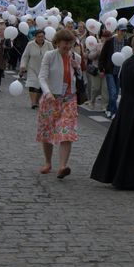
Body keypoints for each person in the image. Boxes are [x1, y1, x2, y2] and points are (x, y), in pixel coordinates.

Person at [90, 35, 134, 190]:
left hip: (126, 108)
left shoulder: (127, 63)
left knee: (122, 143)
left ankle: (117, 175)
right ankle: (127, 179)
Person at [37, 28, 82, 178]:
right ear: (57, 42)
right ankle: (48, 162)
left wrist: (78, 69)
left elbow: (80, 78)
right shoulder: (49, 56)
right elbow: (42, 77)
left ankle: (63, 166)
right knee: (47, 132)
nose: (68, 46)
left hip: (69, 99)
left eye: (70, 43)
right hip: (51, 99)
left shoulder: (76, 57)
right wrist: (47, 92)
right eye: (65, 43)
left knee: (67, 132)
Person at [19, 30, 54, 109]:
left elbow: (53, 56)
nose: (41, 38)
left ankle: (38, 101)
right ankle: (33, 102)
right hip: (32, 67)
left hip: (45, 69)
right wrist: (23, 65)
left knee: (41, 86)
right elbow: (25, 56)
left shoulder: (49, 44)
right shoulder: (30, 44)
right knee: (33, 84)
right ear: (35, 37)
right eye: (39, 37)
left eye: (42, 36)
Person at [99, 24, 127, 118]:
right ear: (117, 31)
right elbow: (103, 55)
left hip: (120, 72)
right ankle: (114, 112)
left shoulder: (126, 42)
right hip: (110, 70)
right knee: (113, 92)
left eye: (124, 31)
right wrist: (101, 69)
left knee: (115, 92)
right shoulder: (110, 42)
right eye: (121, 30)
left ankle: (109, 109)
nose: (123, 32)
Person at [85, 32, 108, 111]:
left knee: (105, 89)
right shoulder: (97, 45)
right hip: (96, 69)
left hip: (106, 70)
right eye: (104, 37)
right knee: (95, 88)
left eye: (107, 37)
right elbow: (90, 56)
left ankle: (104, 105)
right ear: (102, 38)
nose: (105, 39)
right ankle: (92, 101)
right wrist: (97, 53)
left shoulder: (110, 46)